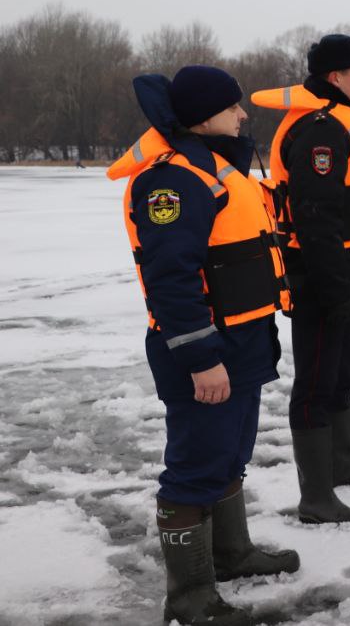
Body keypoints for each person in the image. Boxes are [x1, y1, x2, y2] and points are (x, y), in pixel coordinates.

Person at [107, 66, 298, 626]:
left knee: (230, 454)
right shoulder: (172, 181)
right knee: (195, 465)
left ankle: (231, 555)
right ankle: (190, 598)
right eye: (233, 106)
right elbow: (172, 279)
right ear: (204, 116)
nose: (243, 115)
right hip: (204, 352)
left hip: (242, 345)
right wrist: (201, 358)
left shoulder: (218, 171)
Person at [251, 34, 350, 523]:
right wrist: (332, 290)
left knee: (345, 364)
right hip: (320, 270)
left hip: (348, 263)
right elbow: (314, 217)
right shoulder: (321, 129)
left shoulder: (340, 119)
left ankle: (340, 463)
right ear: (336, 77)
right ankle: (315, 497)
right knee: (316, 377)